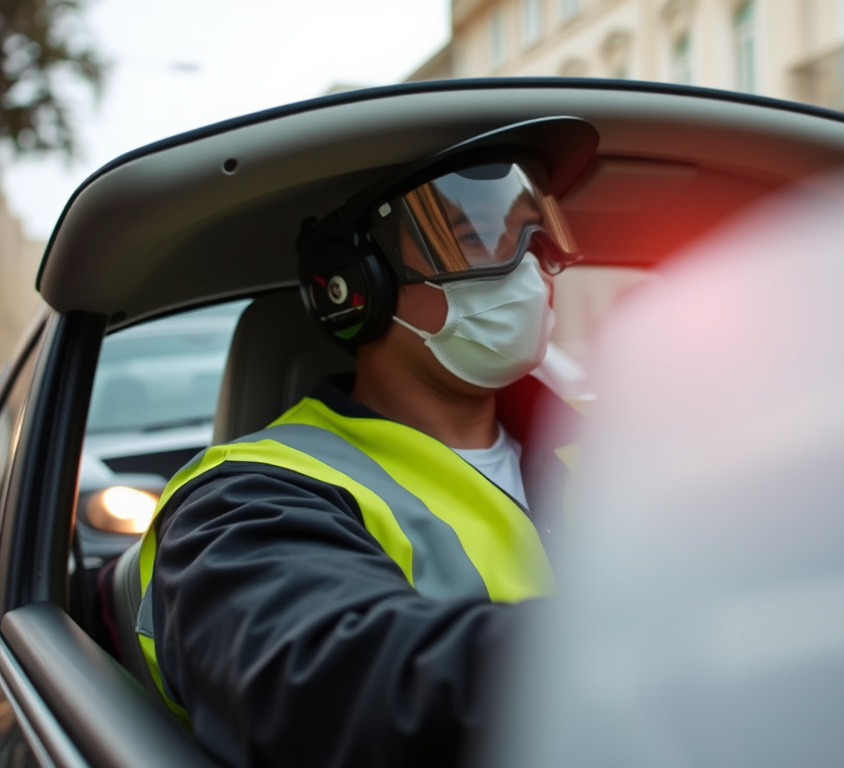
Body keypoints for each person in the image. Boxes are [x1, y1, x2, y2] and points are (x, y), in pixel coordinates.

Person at [128, 117, 598, 768]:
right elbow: (325, 688)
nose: (530, 269)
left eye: (536, 233)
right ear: (356, 286)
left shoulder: (624, 448)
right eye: (478, 239)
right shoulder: (244, 496)